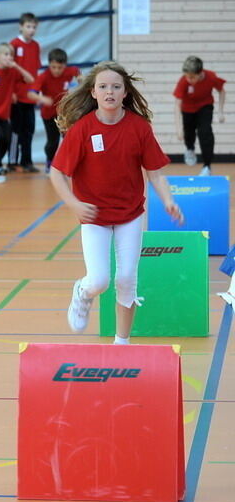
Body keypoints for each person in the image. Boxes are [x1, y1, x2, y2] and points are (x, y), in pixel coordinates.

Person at [48, 61, 183, 345]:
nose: (110, 91)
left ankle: (122, 343)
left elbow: (155, 173)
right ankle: (82, 293)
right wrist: (73, 203)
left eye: (116, 87)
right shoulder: (83, 129)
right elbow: (57, 172)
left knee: (126, 279)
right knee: (99, 281)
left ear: (125, 93)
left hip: (130, 214)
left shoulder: (139, 127)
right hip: (94, 216)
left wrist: (168, 200)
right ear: (94, 93)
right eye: (103, 87)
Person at [0, 43, 34, 181]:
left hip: (4, 114)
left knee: (6, 139)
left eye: (11, 55)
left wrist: (16, 66)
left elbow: (30, 79)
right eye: (6, 54)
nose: (9, 57)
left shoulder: (12, 71)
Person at [29, 48, 81, 173]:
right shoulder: (44, 76)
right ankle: (49, 162)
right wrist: (42, 98)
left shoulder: (69, 71)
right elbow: (31, 94)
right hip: (49, 114)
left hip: (64, 113)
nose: (57, 70)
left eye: (60, 67)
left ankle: (69, 164)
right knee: (53, 141)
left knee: (69, 138)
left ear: (64, 65)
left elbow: (77, 72)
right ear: (49, 65)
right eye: (53, 67)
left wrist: (80, 79)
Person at [173, 56, 225, 177]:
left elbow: (222, 91)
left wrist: (220, 111)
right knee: (189, 133)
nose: (189, 79)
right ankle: (190, 148)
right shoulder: (184, 81)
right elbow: (177, 105)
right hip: (187, 109)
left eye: (192, 77)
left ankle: (207, 166)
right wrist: (178, 129)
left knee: (205, 132)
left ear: (200, 73)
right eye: (187, 76)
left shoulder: (211, 77)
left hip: (204, 107)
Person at [9, 13, 42, 172]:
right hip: (17, 95)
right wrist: (11, 92)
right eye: (28, 26)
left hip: (30, 95)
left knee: (29, 129)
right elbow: (8, 71)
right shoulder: (14, 44)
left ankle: (26, 161)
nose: (31, 30)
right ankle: (12, 161)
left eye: (34, 27)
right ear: (21, 26)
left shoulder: (35, 46)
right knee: (16, 130)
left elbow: (35, 71)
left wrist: (37, 91)